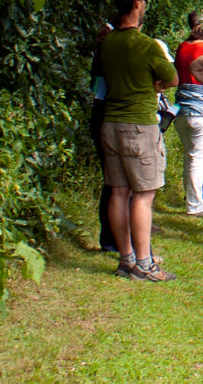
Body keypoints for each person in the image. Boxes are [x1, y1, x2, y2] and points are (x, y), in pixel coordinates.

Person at [98, 0, 178, 281]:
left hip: (111, 124)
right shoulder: (146, 45)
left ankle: (127, 258)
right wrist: (154, 83)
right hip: (139, 126)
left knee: (118, 192)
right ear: (137, 4)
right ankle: (145, 264)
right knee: (143, 194)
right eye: (144, 1)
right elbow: (172, 78)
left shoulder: (107, 42)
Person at [173, 14, 203, 217]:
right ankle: (195, 204)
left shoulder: (182, 46)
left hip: (182, 107)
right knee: (197, 158)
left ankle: (192, 197)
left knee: (190, 156)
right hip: (201, 108)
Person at [87, 21, 117, 253]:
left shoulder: (98, 58)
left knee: (110, 182)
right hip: (108, 117)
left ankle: (109, 236)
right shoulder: (107, 59)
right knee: (114, 183)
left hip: (98, 116)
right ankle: (110, 237)